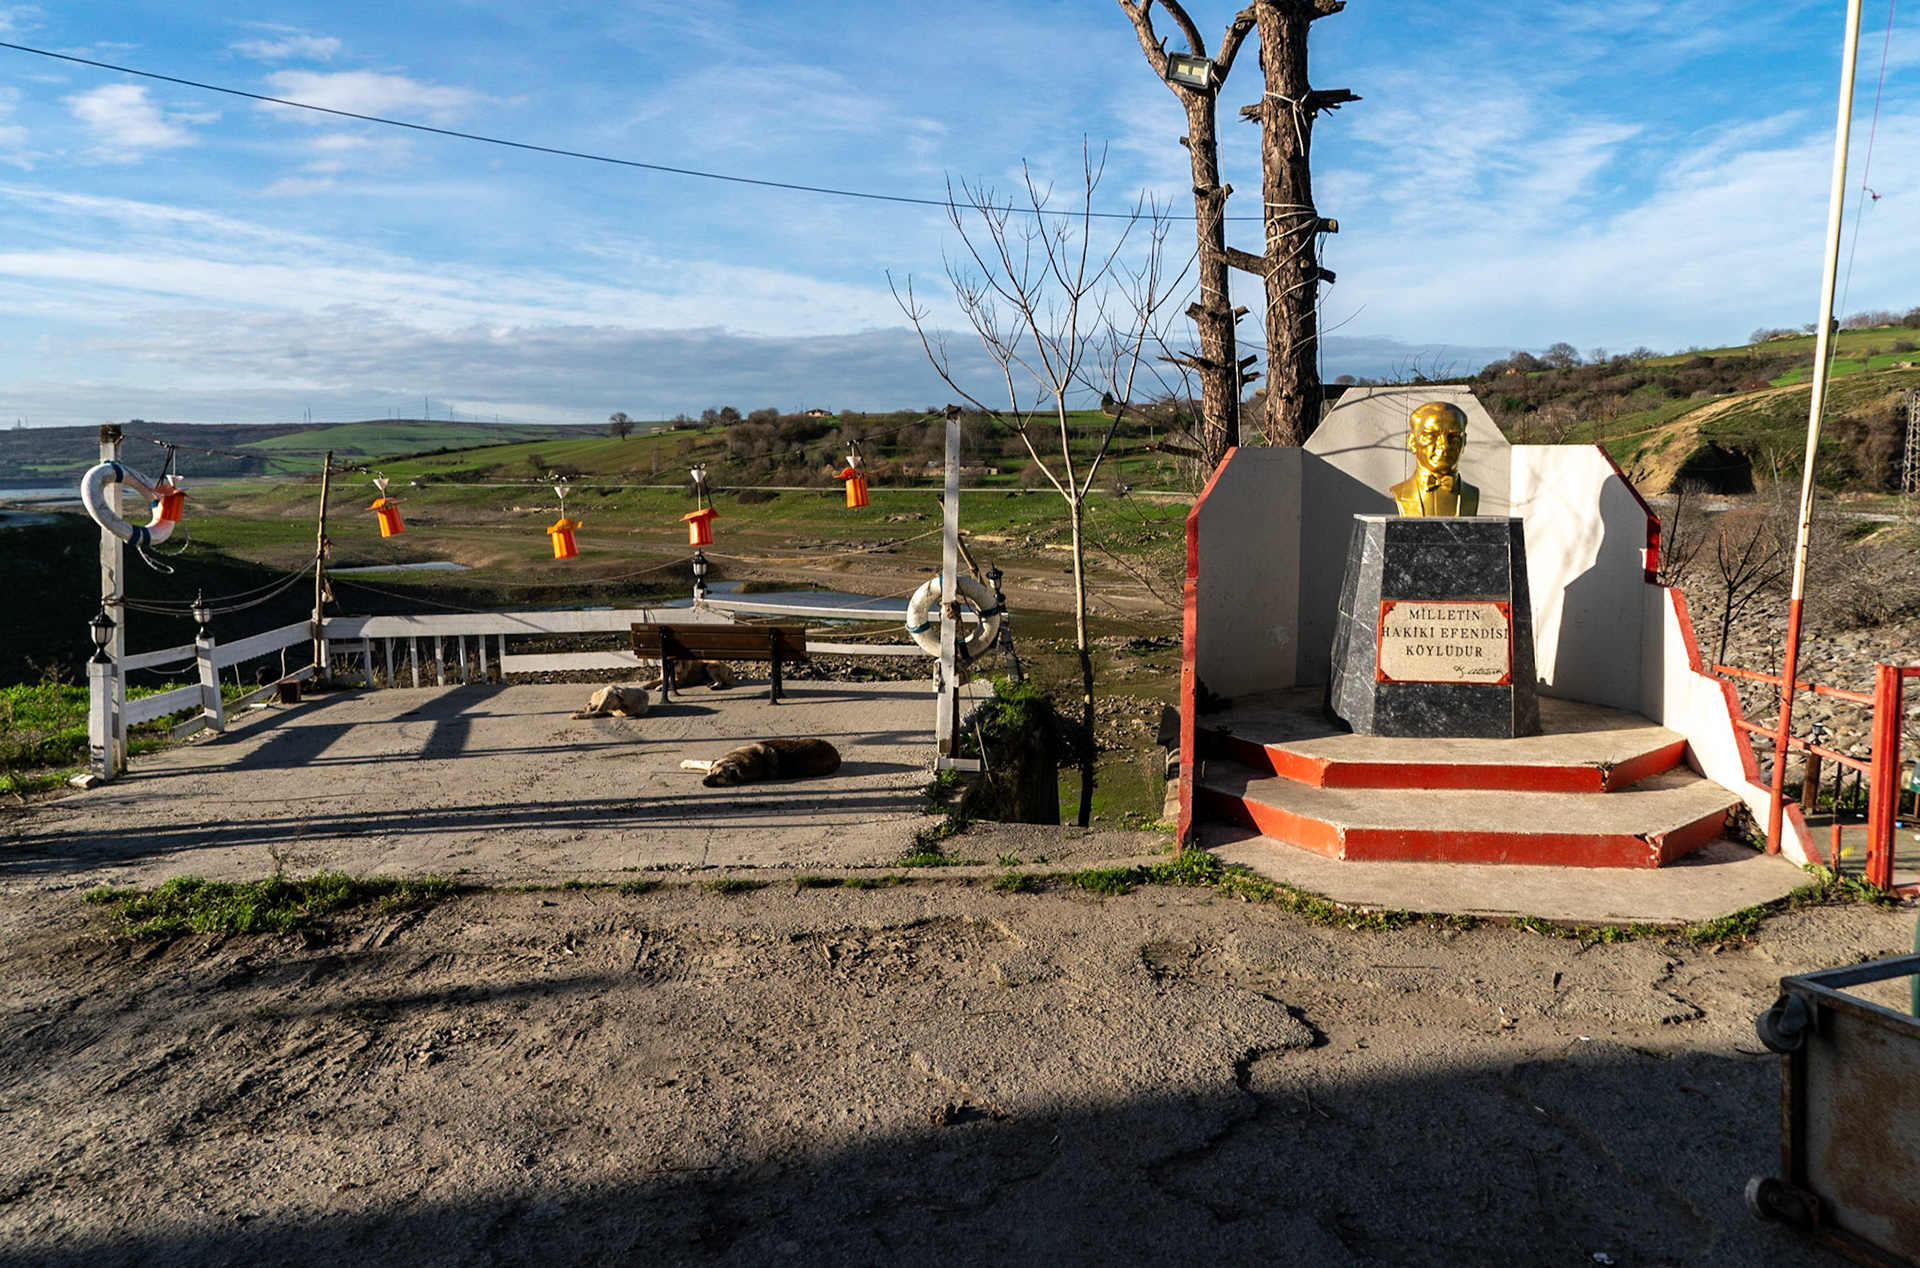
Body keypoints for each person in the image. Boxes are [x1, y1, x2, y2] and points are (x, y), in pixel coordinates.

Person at [1391, 401, 1480, 516]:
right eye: (1431, 436)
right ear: (1412, 442)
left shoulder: (1472, 496)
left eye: (1454, 437)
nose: (1444, 446)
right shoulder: (1400, 493)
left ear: (1464, 442)